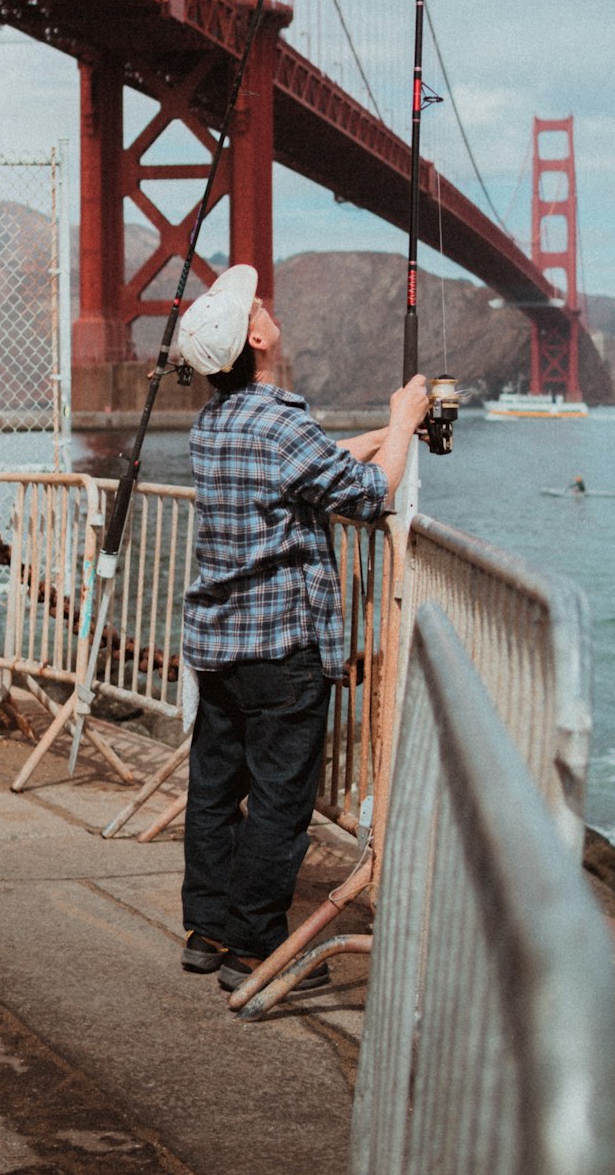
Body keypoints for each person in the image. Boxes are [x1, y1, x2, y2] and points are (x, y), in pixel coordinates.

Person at [174, 265, 428, 996]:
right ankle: (257, 950)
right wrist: (405, 422)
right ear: (255, 336)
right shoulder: (281, 422)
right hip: (282, 646)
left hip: (217, 644)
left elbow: (306, 465)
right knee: (281, 803)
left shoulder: (214, 424)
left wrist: (383, 430)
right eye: (258, 306)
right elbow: (369, 493)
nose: (266, 307)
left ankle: (209, 930)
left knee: (217, 790)